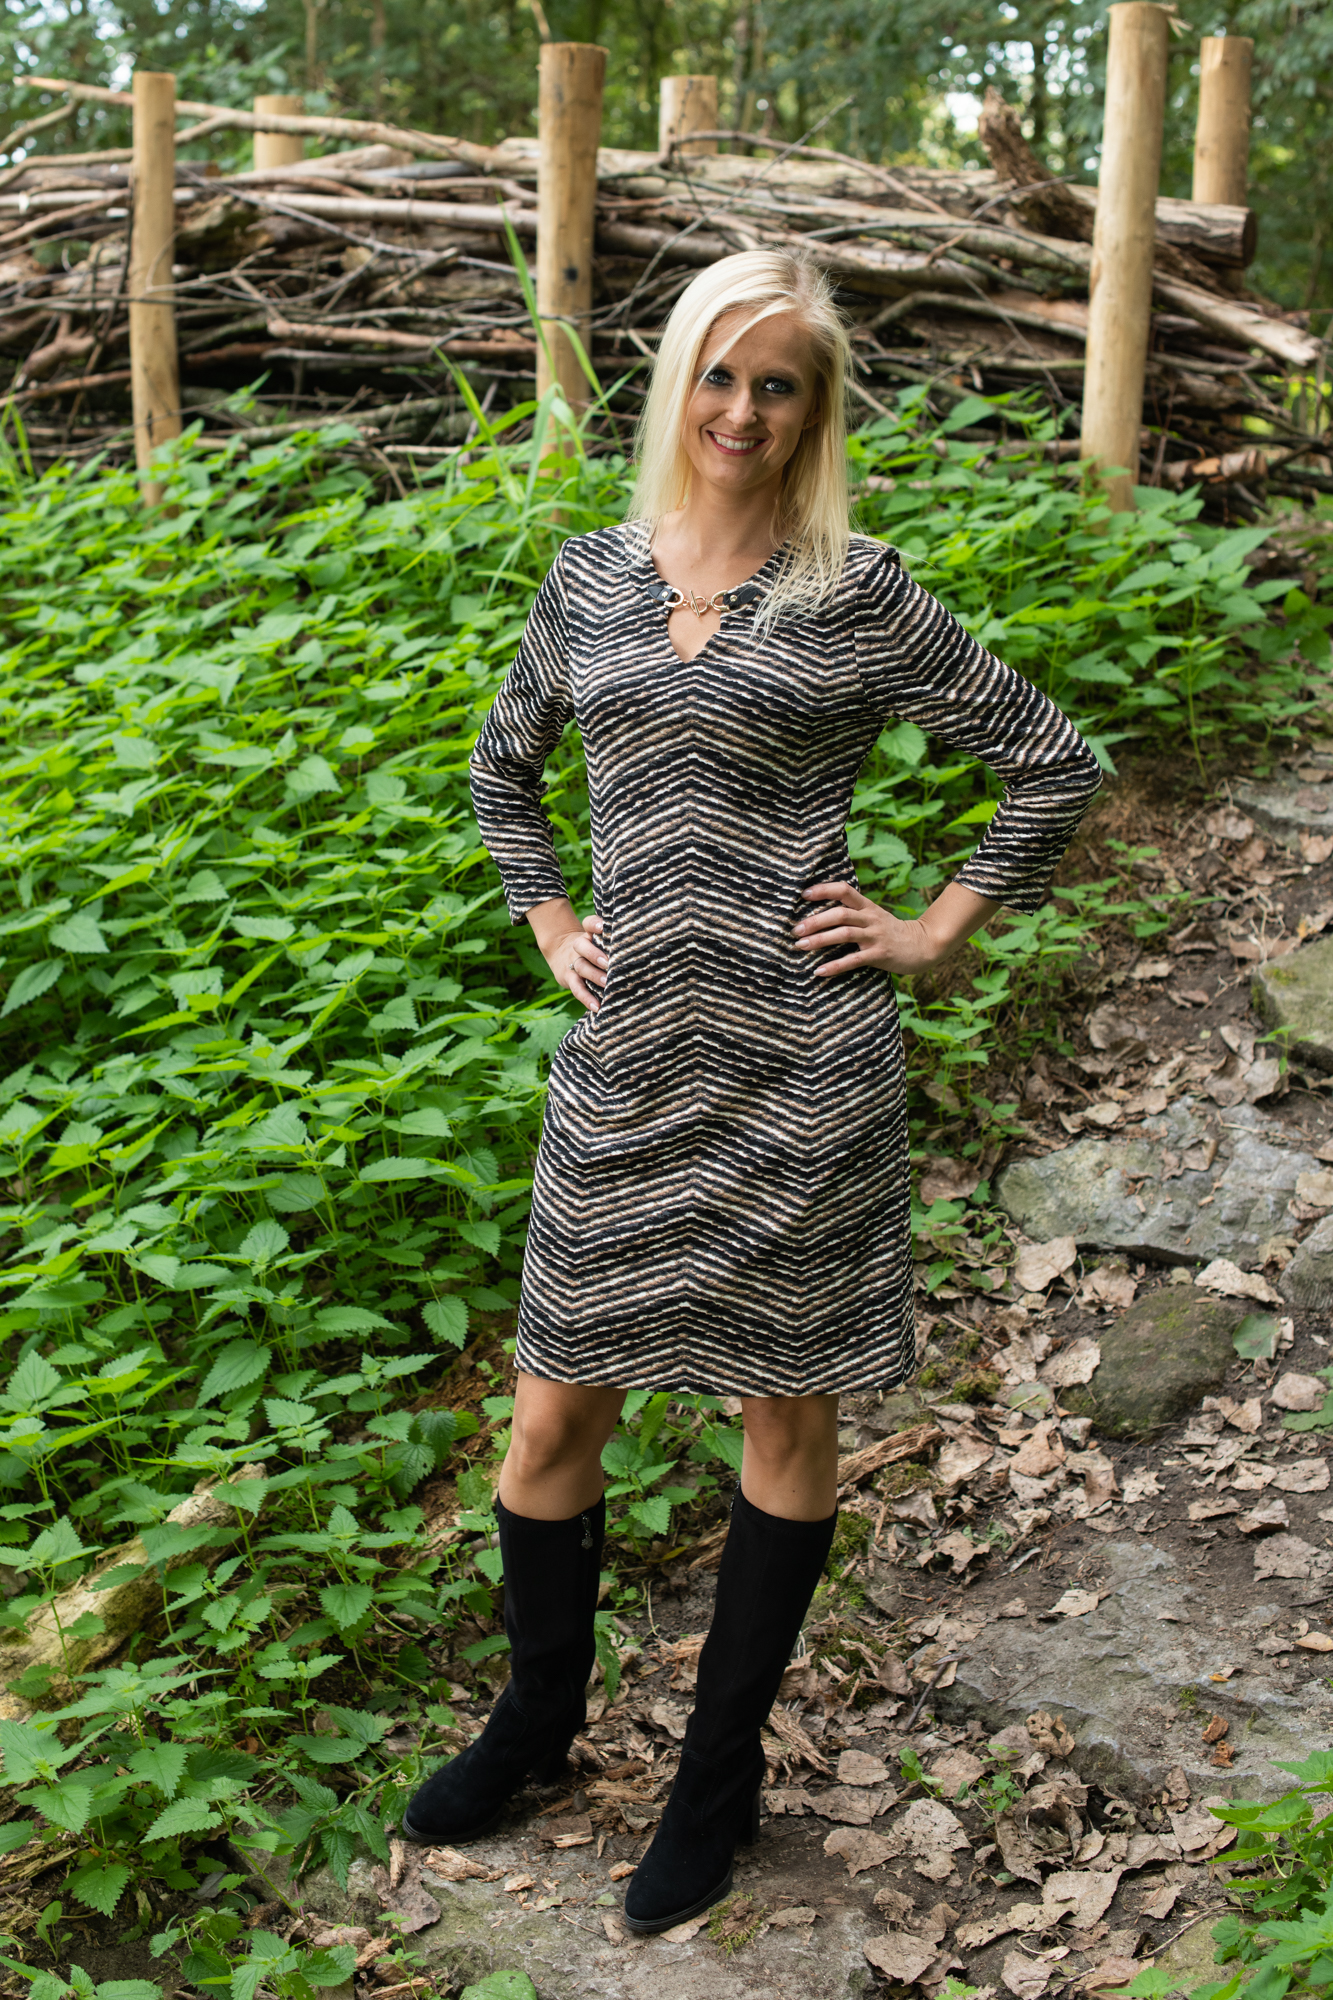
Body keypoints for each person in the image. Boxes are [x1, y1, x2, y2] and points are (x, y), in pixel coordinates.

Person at [400, 249, 1102, 1932]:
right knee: (552, 1412)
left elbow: (1050, 762)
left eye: (775, 383)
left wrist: (930, 930)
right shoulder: (589, 577)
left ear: (813, 409)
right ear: (676, 387)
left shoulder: (855, 594)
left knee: (783, 1415)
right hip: (631, 1056)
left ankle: (716, 1784)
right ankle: (538, 1726)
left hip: (801, 1067)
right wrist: (550, 918)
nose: (740, 410)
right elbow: (503, 766)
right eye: (718, 375)